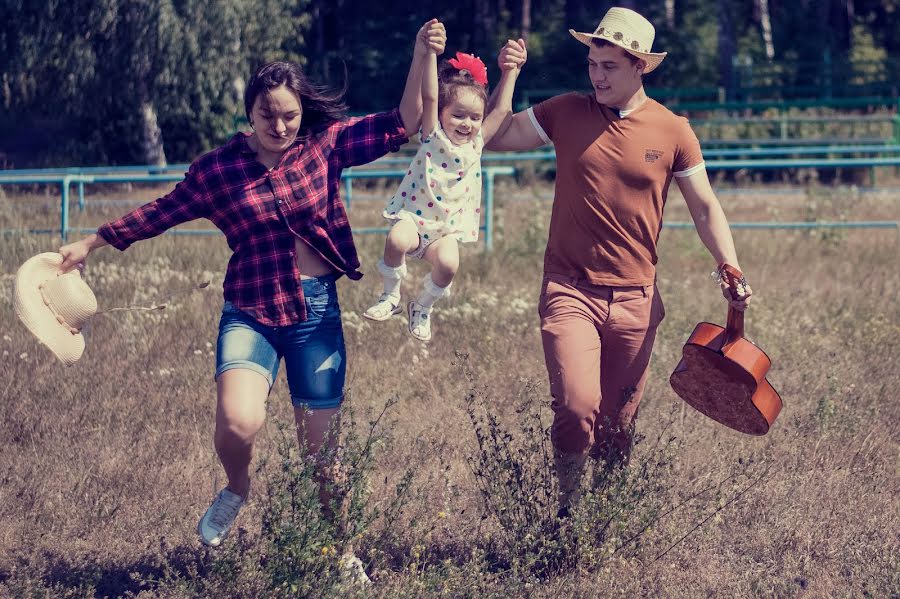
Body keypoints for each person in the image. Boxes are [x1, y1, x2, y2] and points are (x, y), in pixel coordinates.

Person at [56, 19, 447, 561]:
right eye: (268, 114)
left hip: (315, 314)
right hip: (251, 311)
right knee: (238, 424)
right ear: (249, 112)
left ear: (302, 112)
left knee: (323, 457)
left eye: (289, 114)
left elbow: (404, 122)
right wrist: (93, 243)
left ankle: (342, 554)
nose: (281, 125)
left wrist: (420, 54)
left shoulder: (325, 146)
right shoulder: (219, 169)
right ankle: (237, 486)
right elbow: (163, 211)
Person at [487, 7, 753, 517]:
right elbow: (495, 136)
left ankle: (607, 518)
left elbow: (704, 206)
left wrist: (730, 265)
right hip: (569, 289)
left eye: (609, 65)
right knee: (575, 406)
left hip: (636, 298)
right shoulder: (565, 112)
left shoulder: (673, 130)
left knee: (618, 422)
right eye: (592, 63)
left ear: (641, 68)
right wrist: (508, 76)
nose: (597, 75)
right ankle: (570, 510)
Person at [362, 39, 527, 342]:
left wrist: (512, 71)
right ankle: (390, 295)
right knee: (397, 238)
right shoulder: (432, 136)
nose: (467, 124)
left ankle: (422, 307)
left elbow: (502, 109)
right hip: (415, 218)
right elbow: (429, 94)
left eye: (475, 118)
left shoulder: (477, 146)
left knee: (450, 264)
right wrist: (430, 56)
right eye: (459, 115)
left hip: (444, 231)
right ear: (442, 115)